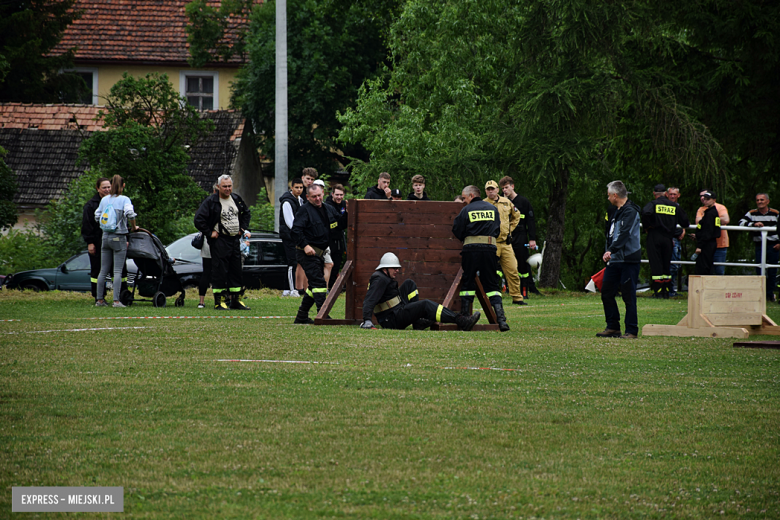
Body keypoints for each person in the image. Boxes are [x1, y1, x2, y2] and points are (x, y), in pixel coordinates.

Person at [359, 253, 481, 331]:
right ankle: (461, 320)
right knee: (425, 304)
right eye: (394, 268)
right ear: (384, 269)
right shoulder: (379, 279)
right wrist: (367, 321)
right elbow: (369, 301)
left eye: (398, 268)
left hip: (394, 312)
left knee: (409, 284)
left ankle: (417, 322)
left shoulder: (383, 277)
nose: (397, 270)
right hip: (391, 320)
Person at [452, 185, 510, 331]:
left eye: (464, 198)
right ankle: (501, 320)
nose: (464, 201)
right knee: (492, 285)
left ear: (471, 196)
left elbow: (457, 230)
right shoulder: (492, 209)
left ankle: (465, 316)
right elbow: (497, 229)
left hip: (471, 250)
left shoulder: (466, 210)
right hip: (489, 250)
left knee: (468, 282)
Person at [194, 174, 251, 310]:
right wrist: (209, 232)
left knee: (236, 270)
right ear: (218, 187)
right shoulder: (211, 201)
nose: (227, 189)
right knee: (219, 271)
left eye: (229, 186)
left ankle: (236, 300)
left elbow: (246, 213)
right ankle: (219, 302)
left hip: (234, 240)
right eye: (224, 186)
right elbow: (198, 219)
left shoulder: (236, 199)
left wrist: (241, 229)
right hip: (220, 241)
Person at [291, 184, 341, 324]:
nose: (318, 199)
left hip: (320, 253)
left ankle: (301, 317)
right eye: (314, 197)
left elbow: (340, 223)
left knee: (314, 286)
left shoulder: (328, 209)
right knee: (319, 283)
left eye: (319, 195)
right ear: (307, 197)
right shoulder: (304, 210)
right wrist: (305, 245)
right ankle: (323, 315)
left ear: (323, 193)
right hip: (306, 253)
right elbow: (296, 231)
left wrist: (349, 212)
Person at [597, 181, 641, 339]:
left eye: (609, 195)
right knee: (607, 292)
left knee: (628, 296)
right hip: (615, 260)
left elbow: (624, 234)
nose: (607, 198)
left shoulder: (631, 211)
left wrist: (611, 250)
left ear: (615, 195)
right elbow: (611, 233)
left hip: (628, 259)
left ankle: (631, 330)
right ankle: (613, 327)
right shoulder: (615, 211)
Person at [94, 175, 138, 308]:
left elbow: (97, 216)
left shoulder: (105, 200)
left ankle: (100, 300)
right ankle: (116, 301)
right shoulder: (124, 199)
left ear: (111, 186)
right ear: (123, 186)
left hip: (105, 236)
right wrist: (134, 226)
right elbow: (130, 214)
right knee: (117, 271)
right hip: (119, 237)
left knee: (103, 270)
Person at [641, 184, 689, 299]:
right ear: (666, 194)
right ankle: (666, 291)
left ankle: (658, 291)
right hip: (668, 238)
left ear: (654, 194)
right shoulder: (673, 206)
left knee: (656, 264)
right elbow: (685, 222)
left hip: (654, 236)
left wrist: (648, 227)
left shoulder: (652, 204)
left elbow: (645, 213)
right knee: (666, 264)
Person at [499, 176, 541, 298]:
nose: (504, 191)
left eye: (506, 187)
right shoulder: (502, 203)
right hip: (507, 236)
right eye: (502, 189)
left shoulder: (523, 201)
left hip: (521, 236)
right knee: (507, 264)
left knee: (522, 264)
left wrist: (532, 239)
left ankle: (525, 291)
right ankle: (508, 289)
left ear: (512, 187)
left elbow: (531, 221)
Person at [484, 180, 524, 306]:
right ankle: (489, 297)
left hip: (506, 243)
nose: (491, 191)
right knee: (489, 271)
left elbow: (516, 215)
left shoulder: (506, 202)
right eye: (488, 189)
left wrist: (509, 230)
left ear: (497, 190)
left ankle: (517, 297)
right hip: (491, 243)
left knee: (512, 270)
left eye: (493, 189)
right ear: (486, 191)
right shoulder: (483, 204)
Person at [738, 193, 779, 302]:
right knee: (759, 269)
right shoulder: (752, 213)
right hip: (759, 245)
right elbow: (741, 223)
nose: (759, 202)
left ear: (767, 201)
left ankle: (769, 295)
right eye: (757, 200)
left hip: (774, 246)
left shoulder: (775, 213)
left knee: (772, 271)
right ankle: (760, 295)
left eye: (762, 200)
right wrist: (754, 224)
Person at [82, 177, 112, 301]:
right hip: (97, 241)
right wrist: (90, 242)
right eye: (104, 187)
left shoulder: (116, 201)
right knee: (97, 270)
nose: (107, 190)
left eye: (109, 187)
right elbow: (87, 225)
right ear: (98, 188)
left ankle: (122, 295)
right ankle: (98, 296)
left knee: (119, 270)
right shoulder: (91, 205)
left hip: (113, 240)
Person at [279, 178, 304, 297]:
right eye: (297, 187)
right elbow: (290, 222)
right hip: (289, 236)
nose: (299, 190)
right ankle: (292, 289)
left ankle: (287, 289)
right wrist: (298, 234)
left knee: (295, 261)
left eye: (301, 187)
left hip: (296, 236)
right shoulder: (287, 202)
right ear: (292, 187)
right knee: (292, 262)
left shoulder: (300, 200)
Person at [695, 189, 730, 275]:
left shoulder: (714, 211)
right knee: (706, 267)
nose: (705, 200)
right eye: (704, 198)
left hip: (711, 243)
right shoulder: (705, 210)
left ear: (714, 200)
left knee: (714, 269)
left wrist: (699, 245)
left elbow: (725, 220)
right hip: (708, 243)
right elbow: (698, 222)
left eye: (708, 199)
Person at [325, 184, 348, 289]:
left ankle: (333, 288)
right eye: (337, 195)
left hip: (339, 239)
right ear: (332, 194)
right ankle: (326, 287)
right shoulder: (327, 205)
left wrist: (346, 214)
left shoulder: (344, 205)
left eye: (341, 195)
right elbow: (333, 223)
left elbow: (344, 224)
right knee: (329, 264)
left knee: (337, 265)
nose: (339, 197)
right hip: (329, 240)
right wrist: (340, 223)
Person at [666, 186, 684, 296]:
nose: (672, 196)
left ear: (678, 195)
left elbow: (683, 221)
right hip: (670, 239)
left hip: (677, 238)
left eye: (674, 194)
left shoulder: (678, 207)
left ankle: (671, 289)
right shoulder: (666, 207)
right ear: (667, 195)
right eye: (671, 194)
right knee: (671, 265)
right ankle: (669, 290)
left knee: (675, 265)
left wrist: (684, 231)